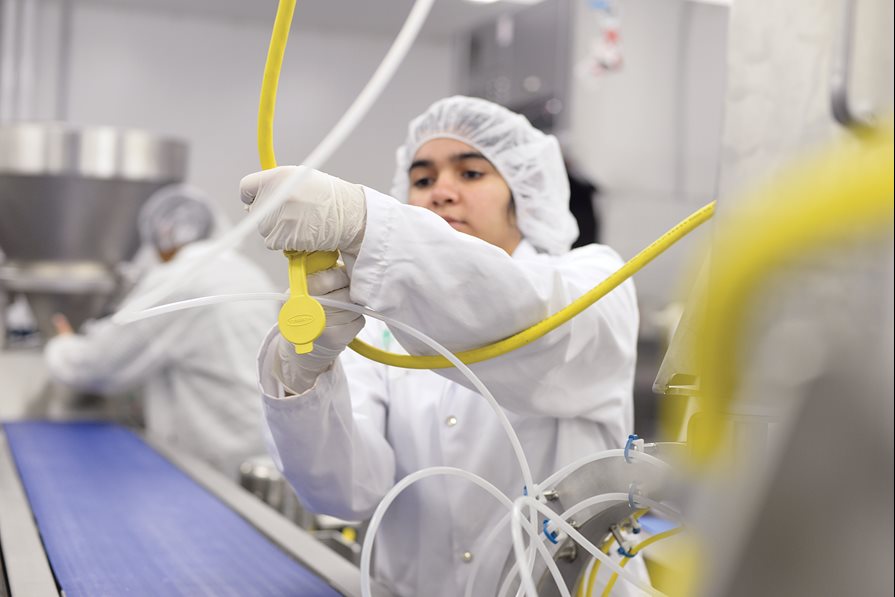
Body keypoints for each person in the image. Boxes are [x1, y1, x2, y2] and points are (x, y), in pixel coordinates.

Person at [241, 96, 640, 596]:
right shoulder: (381, 328)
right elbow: (347, 492)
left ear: (524, 193)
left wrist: (362, 222)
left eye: (470, 174)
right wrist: (303, 378)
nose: (441, 193)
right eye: (423, 179)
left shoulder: (594, 280)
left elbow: (524, 320)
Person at [45, 185, 277, 479]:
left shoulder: (176, 281)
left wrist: (62, 345)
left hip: (212, 456)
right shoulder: (248, 273)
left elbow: (99, 364)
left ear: (162, 236)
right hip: (263, 446)